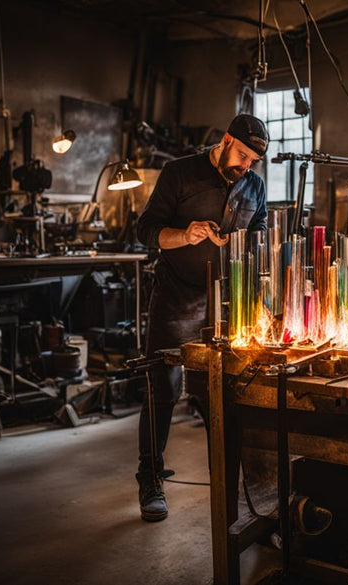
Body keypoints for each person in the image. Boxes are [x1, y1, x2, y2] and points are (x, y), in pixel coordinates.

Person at [134, 114, 269, 521]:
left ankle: (227, 482)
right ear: (225, 140)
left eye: (252, 161)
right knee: (162, 390)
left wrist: (246, 240)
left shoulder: (254, 185)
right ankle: (150, 478)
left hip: (224, 304)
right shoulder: (180, 173)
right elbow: (145, 230)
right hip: (176, 297)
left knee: (219, 395)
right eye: (242, 155)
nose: (245, 166)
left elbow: (260, 228)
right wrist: (183, 234)